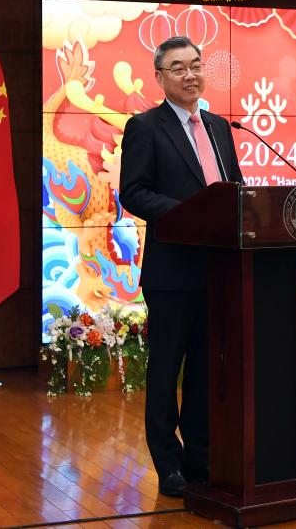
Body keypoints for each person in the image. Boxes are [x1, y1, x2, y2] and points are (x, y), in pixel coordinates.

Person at [119, 36, 244, 497]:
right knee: (166, 369)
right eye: (178, 68)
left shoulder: (219, 127)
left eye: (195, 65)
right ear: (160, 77)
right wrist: (189, 214)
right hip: (173, 272)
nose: (190, 75)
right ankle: (168, 464)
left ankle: (200, 459)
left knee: (205, 371)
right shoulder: (145, 127)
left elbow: (234, 188)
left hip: (219, 271)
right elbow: (134, 192)